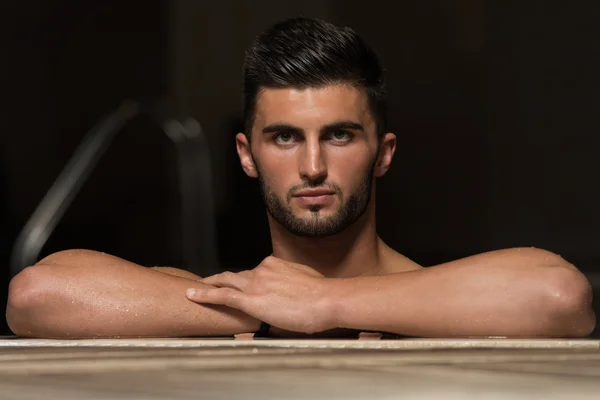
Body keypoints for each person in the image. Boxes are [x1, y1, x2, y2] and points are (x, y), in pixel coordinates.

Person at [6, 17, 595, 339]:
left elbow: (558, 294)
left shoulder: (443, 300)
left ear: (383, 153)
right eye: (284, 137)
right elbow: (37, 294)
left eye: (339, 135)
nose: (313, 166)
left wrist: (326, 303)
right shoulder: (222, 301)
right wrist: (269, 310)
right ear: (246, 154)